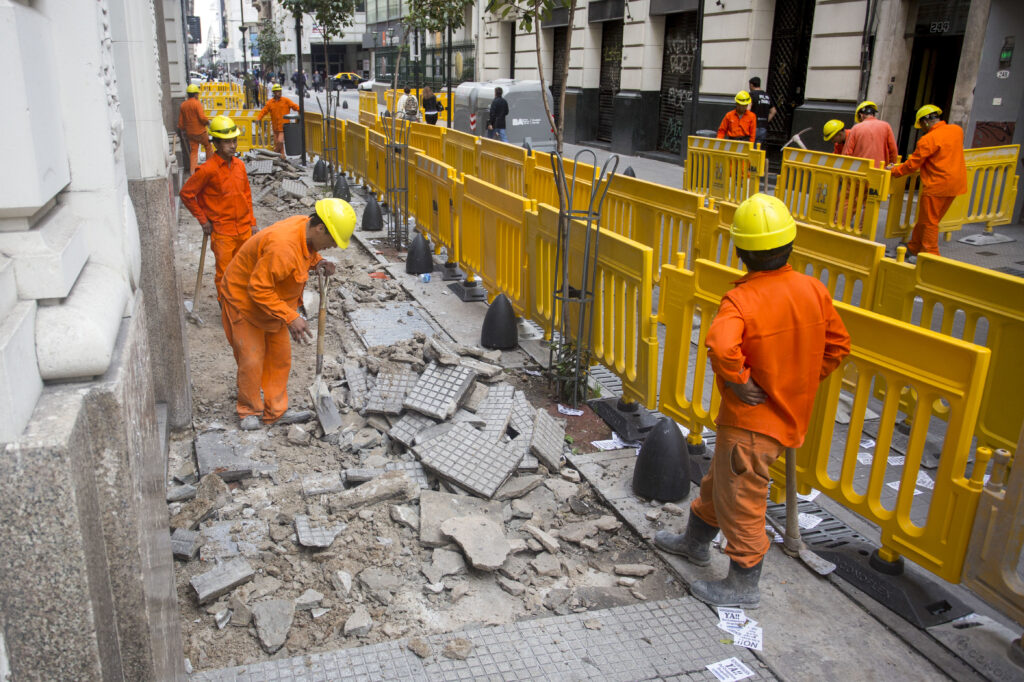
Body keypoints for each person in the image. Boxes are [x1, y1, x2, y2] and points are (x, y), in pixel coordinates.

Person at [654, 193, 851, 609]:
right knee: (719, 485)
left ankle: (743, 584)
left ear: (741, 252)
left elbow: (722, 346)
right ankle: (694, 542)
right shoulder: (813, 290)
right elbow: (837, 345)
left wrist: (741, 379)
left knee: (741, 500)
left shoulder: (742, 299)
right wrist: (798, 377)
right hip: (784, 417)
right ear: (791, 244)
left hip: (751, 424)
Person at [221, 198, 357, 430]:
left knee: (279, 358)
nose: (334, 245)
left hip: (273, 301)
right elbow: (258, 289)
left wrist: (319, 262)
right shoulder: (283, 247)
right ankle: (249, 411)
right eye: (332, 239)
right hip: (243, 299)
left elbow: (306, 254)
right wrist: (291, 316)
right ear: (320, 228)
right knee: (252, 359)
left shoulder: (304, 229)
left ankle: (275, 411)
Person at [179, 115, 255, 330]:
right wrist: (203, 220)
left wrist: (252, 221)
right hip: (223, 232)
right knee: (226, 273)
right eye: (227, 142)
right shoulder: (208, 170)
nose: (232, 145)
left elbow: (246, 195)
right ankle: (229, 311)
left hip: (243, 229)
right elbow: (186, 194)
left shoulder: (239, 166)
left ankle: (243, 305)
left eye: (234, 141)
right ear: (216, 144)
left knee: (246, 270)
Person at [888, 105, 967, 259]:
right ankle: (914, 247)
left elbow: (913, 164)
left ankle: (930, 256)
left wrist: (894, 171)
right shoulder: (956, 130)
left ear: (925, 122)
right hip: (956, 183)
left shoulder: (928, 139)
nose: (922, 129)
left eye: (921, 125)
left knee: (930, 222)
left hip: (937, 185)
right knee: (927, 219)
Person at [842, 101, 898, 168]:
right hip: (880, 171)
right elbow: (893, 150)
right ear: (874, 114)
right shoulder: (886, 126)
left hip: (859, 172)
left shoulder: (855, 128)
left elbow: (847, 154)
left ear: (861, 115)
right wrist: (892, 165)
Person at [256, 84, 300, 159]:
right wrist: (258, 119)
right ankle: (282, 157)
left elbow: (295, 107)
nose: (279, 93)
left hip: (284, 127)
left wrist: (300, 112)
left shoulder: (286, 101)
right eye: (278, 91)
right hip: (275, 127)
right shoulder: (270, 103)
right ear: (274, 92)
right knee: (279, 144)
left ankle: (274, 153)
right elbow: (263, 111)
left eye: (280, 91)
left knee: (280, 141)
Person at [177, 84, 212, 174]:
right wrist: (208, 122)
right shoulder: (197, 103)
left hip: (190, 133)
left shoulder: (183, 105)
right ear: (196, 94)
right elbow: (201, 117)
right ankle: (209, 167)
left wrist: (183, 129)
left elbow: (181, 123)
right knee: (208, 147)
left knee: (194, 151)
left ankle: (193, 172)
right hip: (200, 132)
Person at [748, 77, 776, 147]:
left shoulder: (751, 95)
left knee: (749, 149)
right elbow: (773, 111)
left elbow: (748, 110)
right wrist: (766, 121)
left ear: (751, 85)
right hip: (763, 127)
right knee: (757, 149)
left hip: (753, 127)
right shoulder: (767, 96)